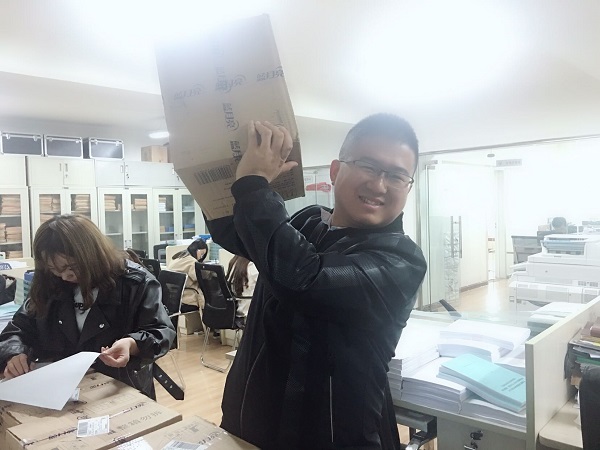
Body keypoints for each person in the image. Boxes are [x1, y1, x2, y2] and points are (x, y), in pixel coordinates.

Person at [206, 114, 427, 449]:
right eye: (368, 166)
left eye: (396, 175)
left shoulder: (400, 260)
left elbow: (303, 279)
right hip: (248, 425)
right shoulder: (309, 220)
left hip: (333, 438)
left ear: (408, 187)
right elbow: (236, 233)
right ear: (335, 171)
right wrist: (218, 167)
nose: (379, 185)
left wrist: (252, 184)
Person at [0, 215, 175, 399]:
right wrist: (14, 353)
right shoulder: (50, 283)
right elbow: (18, 328)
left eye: (71, 267)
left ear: (91, 255)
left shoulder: (134, 283)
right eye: (54, 269)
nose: (64, 276)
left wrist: (132, 344)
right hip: (60, 390)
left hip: (118, 388)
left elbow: (161, 332)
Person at [168, 238, 209, 314]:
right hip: (185, 297)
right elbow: (199, 278)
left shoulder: (179, 256)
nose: (201, 257)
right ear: (196, 250)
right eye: (202, 254)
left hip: (173, 296)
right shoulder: (191, 261)